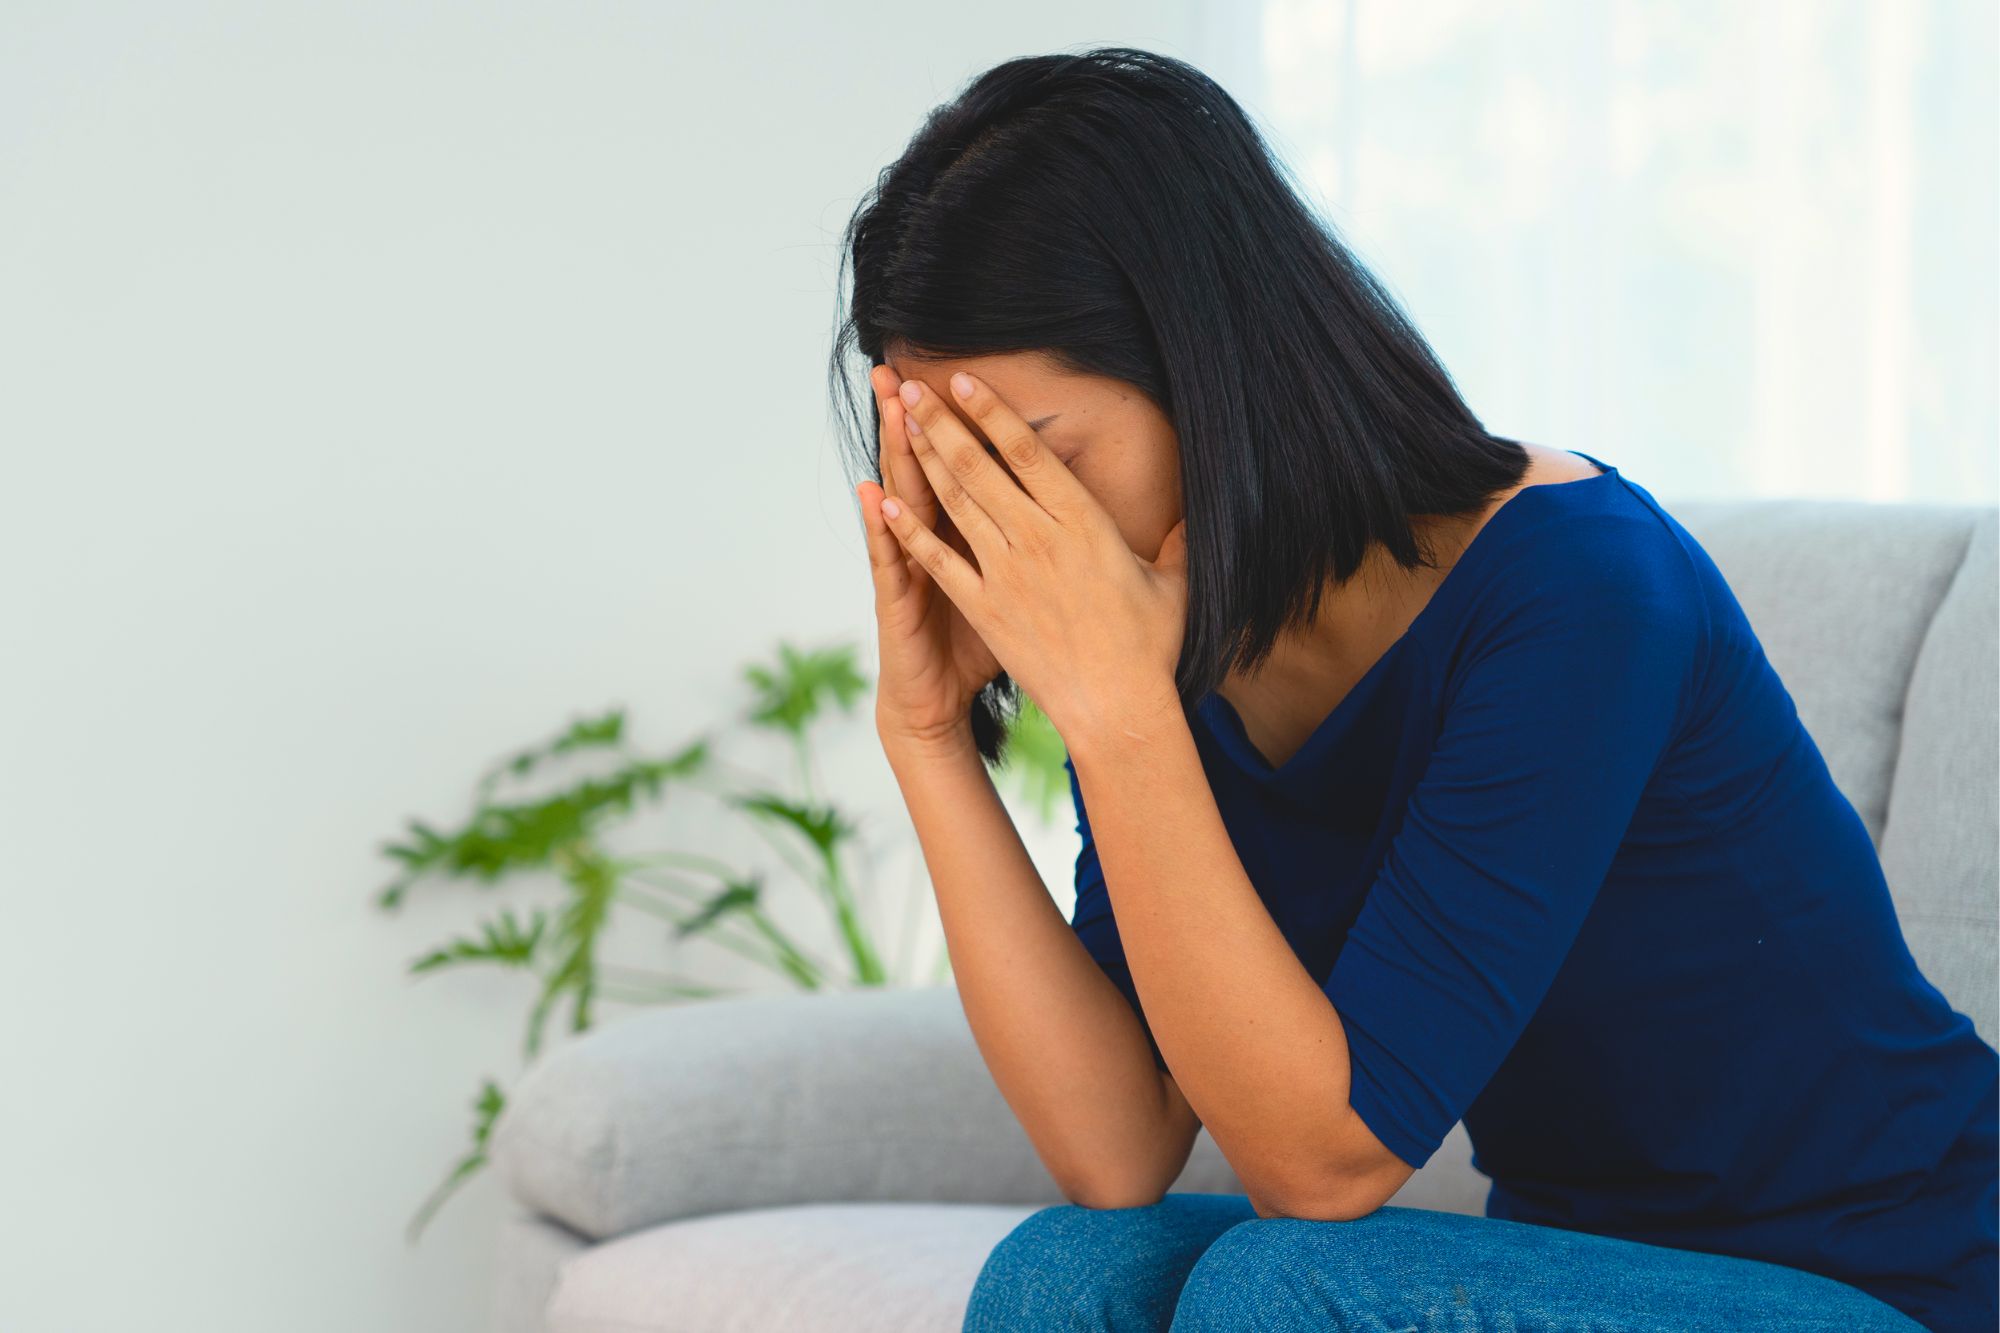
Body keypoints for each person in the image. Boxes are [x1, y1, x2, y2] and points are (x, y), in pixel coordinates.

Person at [827, 46, 1997, 1333]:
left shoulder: (1578, 589)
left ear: (1207, 371)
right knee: (1070, 1271)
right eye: (960, 476)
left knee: (1288, 1286)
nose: (1004, 532)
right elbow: (1117, 1150)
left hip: (1895, 1286)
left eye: (1033, 459)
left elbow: (1319, 1166)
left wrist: (1115, 715)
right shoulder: (1179, 643)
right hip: (1584, 1269)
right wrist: (928, 730)